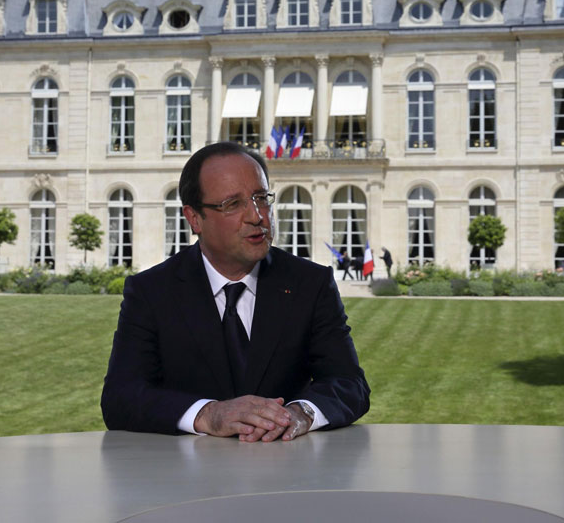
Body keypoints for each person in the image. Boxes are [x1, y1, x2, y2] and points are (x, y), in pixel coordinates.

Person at [101, 142, 369, 442]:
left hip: (287, 473)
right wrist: (207, 415)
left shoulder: (310, 283)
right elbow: (120, 398)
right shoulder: (152, 291)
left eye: (260, 198)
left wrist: (300, 413)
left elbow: (349, 384)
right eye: (233, 204)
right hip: (185, 479)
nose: (256, 216)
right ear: (194, 218)